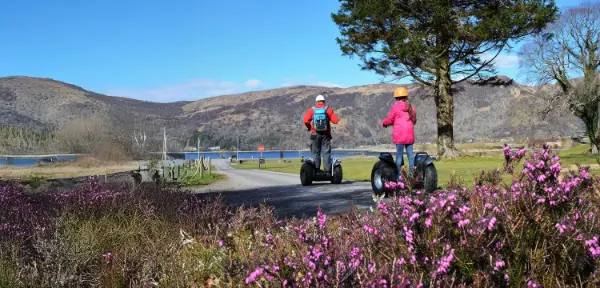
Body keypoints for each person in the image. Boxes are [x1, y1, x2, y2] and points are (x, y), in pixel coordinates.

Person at [382, 87, 417, 179]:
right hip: (409, 134)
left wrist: (384, 123)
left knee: (399, 156)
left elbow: (390, 119)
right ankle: (411, 175)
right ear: (406, 96)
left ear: (397, 97)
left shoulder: (395, 107)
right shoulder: (411, 107)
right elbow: (414, 120)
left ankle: (398, 176)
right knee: (410, 155)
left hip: (399, 135)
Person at [303, 94, 339, 175]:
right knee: (326, 153)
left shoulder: (312, 110)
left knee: (315, 153)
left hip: (315, 134)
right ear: (324, 101)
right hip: (326, 135)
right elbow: (336, 121)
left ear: (316, 101)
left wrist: (309, 127)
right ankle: (327, 172)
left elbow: (305, 121)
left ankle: (316, 171)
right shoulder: (327, 109)